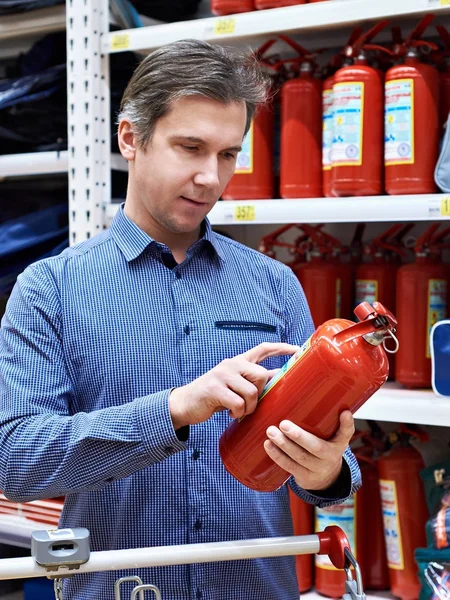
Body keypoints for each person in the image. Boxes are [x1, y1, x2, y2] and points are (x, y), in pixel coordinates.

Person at [0, 39, 361, 600]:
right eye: (190, 148)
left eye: (227, 154)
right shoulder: (50, 290)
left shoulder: (274, 284)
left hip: (254, 587)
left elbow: (328, 472)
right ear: (130, 139)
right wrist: (173, 410)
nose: (210, 179)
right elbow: (15, 458)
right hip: (117, 589)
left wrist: (325, 471)